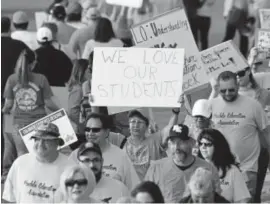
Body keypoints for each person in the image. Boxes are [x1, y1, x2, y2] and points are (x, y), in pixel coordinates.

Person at [209, 70, 270, 201]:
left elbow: (266, 132)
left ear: (237, 85)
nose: (227, 94)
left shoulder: (253, 105)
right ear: (218, 88)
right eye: (223, 90)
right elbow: (201, 128)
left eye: (231, 90)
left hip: (247, 168)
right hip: (220, 168)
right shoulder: (212, 105)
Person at [2, 50, 60, 180]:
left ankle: (22, 184)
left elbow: (9, 105)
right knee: (39, 155)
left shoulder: (12, 79)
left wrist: (4, 110)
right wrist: (61, 111)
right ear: (33, 63)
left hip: (19, 124)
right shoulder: (41, 78)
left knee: (22, 157)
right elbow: (48, 103)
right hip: (39, 124)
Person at [144, 124, 221, 203]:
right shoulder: (156, 168)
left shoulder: (208, 169)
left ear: (192, 143)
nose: (177, 147)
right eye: (173, 143)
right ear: (169, 144)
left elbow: (216, 200)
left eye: (181, 142)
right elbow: (145, 198)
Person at [2, 123, 74, 203]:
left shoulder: (71, 168)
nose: (40, 144)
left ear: (57, 143)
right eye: (37, 139)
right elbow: (9, 198)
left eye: (46, 140)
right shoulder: (20, 163)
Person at [69, 113, 140, 190]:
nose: (90, 133)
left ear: (107, 132)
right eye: (87, 129)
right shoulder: (75, 155)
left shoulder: (121, 156)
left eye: (95, 130)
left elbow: (134, 188)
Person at [123, 107, 181, 180]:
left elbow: (169, 129)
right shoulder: (121, 142)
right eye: (133, 122)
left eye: (140, 122)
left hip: (152, 188)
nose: (136, 125)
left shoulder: (155, 140)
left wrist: (175, 113)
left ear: (147, 126)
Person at [197, 128, 251, 202]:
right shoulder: (194, 168)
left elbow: (243, 199)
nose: (203, 147)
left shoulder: (232, 171)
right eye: (200, 143)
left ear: (218, 146)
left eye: (208, 144)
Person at [67, 59, 90, 132]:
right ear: (82, 72)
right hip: (81, 131)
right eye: (89, 70)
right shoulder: (78, 89)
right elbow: (73, 112)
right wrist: (86, 125)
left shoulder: (82, 88)